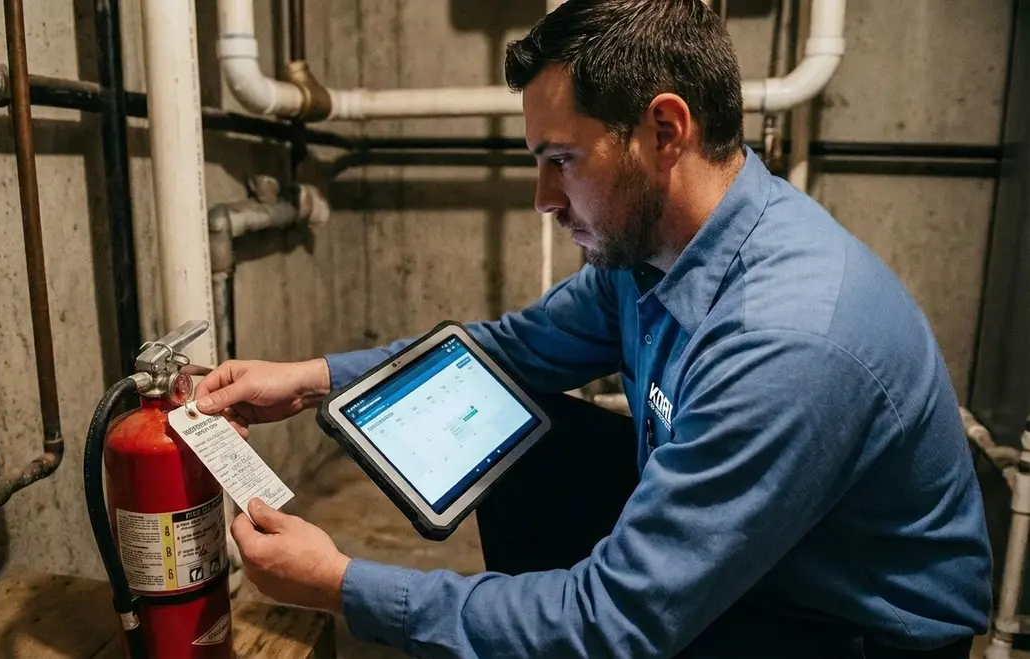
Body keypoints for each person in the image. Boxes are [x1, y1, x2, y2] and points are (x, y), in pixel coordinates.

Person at [193, 1, 993, 657]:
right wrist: (314, 379)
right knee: (522, 438)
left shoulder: (786, 340)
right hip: (786, 558)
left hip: (852, 629)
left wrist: (342, 584)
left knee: (592, 612)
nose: (543, 198)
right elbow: (509, 353)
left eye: (562, 159)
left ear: (664, 131)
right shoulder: (651, 255)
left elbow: (615, 622)